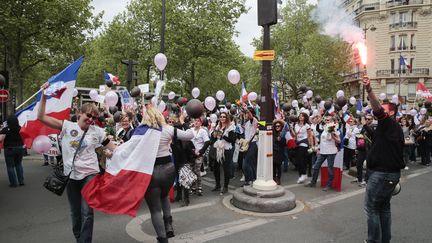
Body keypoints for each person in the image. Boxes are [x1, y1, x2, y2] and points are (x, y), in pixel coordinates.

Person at [37, 82, 117, 243]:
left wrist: (133, 151)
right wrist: (44, 96)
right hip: (71, 177)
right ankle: (79, 238)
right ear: (80, 113)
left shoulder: (98, 132)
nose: (91, 119)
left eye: (94, 117)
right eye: (88, 116)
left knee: (87, 212)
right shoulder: (67, 126)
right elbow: (41, 117)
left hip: (90, 176)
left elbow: (113, 147)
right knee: (75, 213)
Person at [140, 107, 193, 242]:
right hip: (168, 170)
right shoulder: (168, 129)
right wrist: (183, 122)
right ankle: (168, 225)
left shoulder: (140, 131)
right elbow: (189, 135)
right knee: (164, 195)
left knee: (155, 209)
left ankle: (163, 239)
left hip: (151, 171)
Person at [363, 77, 405, 243]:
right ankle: (384, 240)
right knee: (383, 208)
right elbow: (378, 140)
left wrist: (368, 89)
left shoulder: (387, 122)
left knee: (372, 207)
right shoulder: (391, 128)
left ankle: (373, 240)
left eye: (383, 108)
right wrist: (366, 127)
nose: (378, 110)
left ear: (390, 113)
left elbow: (378, 109)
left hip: (381, 174)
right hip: (390, 174)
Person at [305, 115, 340, 191]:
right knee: (316, 166)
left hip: (331, 152)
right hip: (323, 152)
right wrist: (318, 149)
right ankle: (313, 182)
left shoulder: (334, 129)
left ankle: (329, 185)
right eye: (326, 120)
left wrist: (332, 135)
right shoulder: (324, 128)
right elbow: (322, 140)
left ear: (332, 121)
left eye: (328, 120)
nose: (326, 121)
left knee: (330, 169)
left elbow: (339, 141)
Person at [211, 111, 236, 194]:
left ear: (227, 118)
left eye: (224, 117)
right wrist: (214, 135)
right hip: (218, 149)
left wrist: (223, 136)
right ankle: (218, 185)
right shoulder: (218, 126)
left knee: (226, 169)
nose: (222, 118)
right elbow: (214, 138)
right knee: (215, 167)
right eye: (221, 116)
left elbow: (232, 140)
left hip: (226, 150)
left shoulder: (230, 127)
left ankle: (225, 186)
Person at [0, 115, 25, 187]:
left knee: (10, 166)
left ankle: (13, 183)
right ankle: (21, 181)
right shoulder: (20, 128)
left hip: (9, 148)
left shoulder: (6, 129)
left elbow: (1, 139)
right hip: (19, 147)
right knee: (18, 164)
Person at [190, 117, 210, 196]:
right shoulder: (190, 130)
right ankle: (193, 187)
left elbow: (207, 142)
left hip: (199, 154)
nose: (196, 122)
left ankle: (200, 187)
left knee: (197, 171)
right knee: (191, 171)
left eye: (198, 121)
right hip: (191, 154)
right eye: (195, 120)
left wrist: (201, 152)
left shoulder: (203, 131)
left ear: (201, 123)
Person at [292, 112, 313, 183]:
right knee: (299, 160)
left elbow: (310, 135)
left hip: (304, 143)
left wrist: (311, 145)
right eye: (300, 116)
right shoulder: (296, 125)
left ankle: (303, 174)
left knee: (300, 158)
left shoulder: (307, 125)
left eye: (302, 116)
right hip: (297, 142)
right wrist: (291, 129)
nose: (300, 117)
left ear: (305, 117)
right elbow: (295, 135)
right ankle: (301, 175)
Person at [241, 107, 258, 186]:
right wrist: (242, 115)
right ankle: (251, 179)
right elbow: (242, 125)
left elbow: (251, 116)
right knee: (249, 163)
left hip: (252, 144)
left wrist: (247, 110)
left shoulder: (254, 120)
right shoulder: (247, 122)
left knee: (246, 163)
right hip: (246, 144)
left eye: (248, 113)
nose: (247, 114)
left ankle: (250, 180)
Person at [272, 119, 286, 185]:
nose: (277, 127)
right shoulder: (273, 134)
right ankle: (274, 178)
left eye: (279, 126)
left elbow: (284, 144)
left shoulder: (283, 134)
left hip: (280, 152)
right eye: (276, 126)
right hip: (273, 152)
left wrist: (280, 140)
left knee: (279, 167)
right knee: (273, 167)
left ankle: (278, 178)